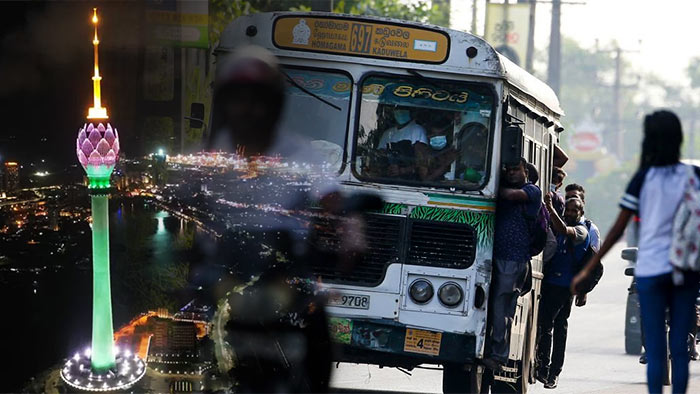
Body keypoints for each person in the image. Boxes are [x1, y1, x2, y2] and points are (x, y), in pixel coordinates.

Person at [203, 45, 335, 392]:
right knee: (193, 330)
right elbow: (200, 205)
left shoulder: (299, 152)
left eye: (256, 100)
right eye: (238, 100)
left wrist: (351, 229)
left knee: (318, 332)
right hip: (232, 270)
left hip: (285, 270)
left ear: (273, 105)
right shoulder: (218, 150)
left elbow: (330, 196)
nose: (247, 110)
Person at [572, 110, 700, 394]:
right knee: (679, 348)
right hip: (686, 270)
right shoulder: (694, 176)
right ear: (678, 138)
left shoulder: (644, 179)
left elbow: (618, 228)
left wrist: (587, 268)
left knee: (655, 350)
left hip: (652, 270)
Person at [484, 158, 542, 370]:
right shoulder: (508, 187)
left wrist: (486, 180)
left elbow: (510, 195)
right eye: (508, 170)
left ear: (525, 171)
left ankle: (498, 357)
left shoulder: (532, 190)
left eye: (516, 170)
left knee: (502, 308)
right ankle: (487, 349)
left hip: (514, 260)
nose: (511, 173)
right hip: (494, 257)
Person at [536, 196, 590, 389]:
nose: (569, 213)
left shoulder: (581, 231)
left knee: (555, 328)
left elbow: (564, 230)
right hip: (549, 282)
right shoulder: (559, 227)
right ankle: (544, 368)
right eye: (567, 209)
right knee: (547, 326)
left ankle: (552, 371)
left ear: (581, 213)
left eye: (574, 210)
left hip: (565, 288)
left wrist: (550, 207)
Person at [376, 106, 428, 178]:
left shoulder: (417, 130)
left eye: (403, 110)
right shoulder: (388, 133)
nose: (400, 112)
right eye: (397, 110)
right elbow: (380, 154)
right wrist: (386, 169)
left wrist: (403, 170)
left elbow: (422, 161)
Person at [416, 114, 459, 181]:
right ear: (428, 135)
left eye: (440, 134)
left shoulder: (452, 149)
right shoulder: (423, 151)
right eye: (434, 134)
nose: (437, 137)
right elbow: (426, 179)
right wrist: (445, 164)